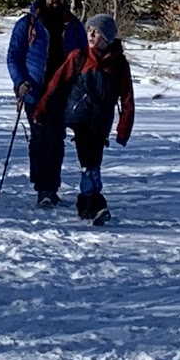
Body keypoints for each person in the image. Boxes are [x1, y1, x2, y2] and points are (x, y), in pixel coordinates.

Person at [33, 13, 133, 225]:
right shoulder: (78, 56)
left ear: (108, 37)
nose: (91, 34)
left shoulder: (119, 64)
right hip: (80, 118)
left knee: (92, 160)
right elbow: (56, 84)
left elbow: (127, 97)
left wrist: (124, 127)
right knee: (89, 160)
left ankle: (87, 204)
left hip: (101, 121)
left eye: (97, 32)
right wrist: (41, 108)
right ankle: (94, 202)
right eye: (89, 30)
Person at [7, 0, 88, 208]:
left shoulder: (72, 25)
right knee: (41, 138)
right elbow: (14, 56)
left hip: (63, 91)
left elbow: (84, 57)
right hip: (34, 91)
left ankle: (50, 186)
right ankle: (43, 187)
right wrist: (20, 82)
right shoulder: (27, 25)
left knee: (57, 138)